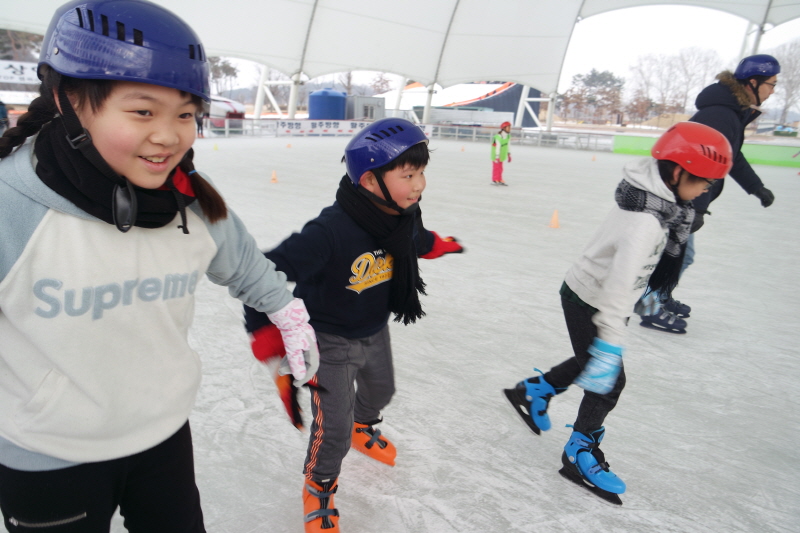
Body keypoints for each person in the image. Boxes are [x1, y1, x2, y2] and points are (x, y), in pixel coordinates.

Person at [0, 1, 318, 531]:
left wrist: (287, 313)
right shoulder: (12, 206)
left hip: (163, 437)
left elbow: (244, 265)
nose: (169, 136)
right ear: (67, 99)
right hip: (49, 454)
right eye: (143, 111)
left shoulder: (189, 204)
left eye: (185, 115)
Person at [243, 117, 464, 533]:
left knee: (382, 390)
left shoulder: (401, 215)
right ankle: (319, 485)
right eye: (409, 174)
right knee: (334, 429)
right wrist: (264, 330)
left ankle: (365, 425)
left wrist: (437, 244)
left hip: (373, 327)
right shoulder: (329, 231)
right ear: (369, 181)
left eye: (421, 173)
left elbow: (414, 239)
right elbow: (262, 272)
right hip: (327, 339)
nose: (419, 185)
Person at [504, 122, 733, 504]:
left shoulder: (658, 200)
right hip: (592, 298)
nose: (708, 189)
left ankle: (533, 390)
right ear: (677, 172)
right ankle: (579, 453)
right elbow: (617, 288)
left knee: (588, 361)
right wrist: (611, 344)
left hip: (592, 291)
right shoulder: (645, 223)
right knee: (609, 381)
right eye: (705, 181)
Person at [638, 54, 780, 333]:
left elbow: (731, 156)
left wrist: (755, 187)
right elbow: (700, 164)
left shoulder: (730, 111)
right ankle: (650, 303)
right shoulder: (721, 114)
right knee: (678, 254)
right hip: (678, 194)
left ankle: (658, 295)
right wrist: (697, 208)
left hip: (683, 193)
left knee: (678, 253)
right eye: (771, 84)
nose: (773, 90)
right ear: (753, 82)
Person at [490, 120, 512, 185]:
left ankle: (499, 179)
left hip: (502, 154)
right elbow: (498, 147)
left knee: (500, 168)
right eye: (508, 127)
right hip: (496, 155)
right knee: (496, 168)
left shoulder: (508, 136)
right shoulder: (498, 137)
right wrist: (497, 157)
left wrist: (509, 154)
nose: (510, 129)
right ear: (504, 128)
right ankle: (495, 179)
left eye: (510, 127)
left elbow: (508, 145)